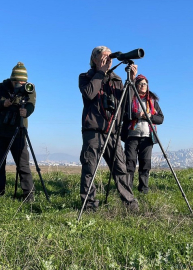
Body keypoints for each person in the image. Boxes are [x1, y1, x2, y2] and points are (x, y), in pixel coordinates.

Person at [78, 46, 139, 211]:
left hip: (112, 131)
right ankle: (89, 205)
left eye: (109, 57)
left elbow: (126, 105)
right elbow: (89, 93)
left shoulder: (117, 80)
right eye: (104, 57)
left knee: (121, 169)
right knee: (89, 168)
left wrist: (131, 81)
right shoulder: (86, 77)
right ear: (95, 60)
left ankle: (130, 204)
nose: (108, 60)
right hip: (93, 130)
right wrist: (101, 73)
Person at [0, 62, 36, 201]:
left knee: (23, 165)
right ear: (12, 80)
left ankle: (28, 196)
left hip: (18, 131)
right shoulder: (0, 87)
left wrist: (27, 112)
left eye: (23, 81)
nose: (20, 83)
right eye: (17, 81)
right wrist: (3, 104)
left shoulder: (29, 88)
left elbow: (31, 104)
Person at [121, 74, 164, 194]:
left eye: (145, 83)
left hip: (147, 137)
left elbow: (161, 119)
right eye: (140, 84)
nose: (143, 86)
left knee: (145, 164)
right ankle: (128, 190)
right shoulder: (130, 99)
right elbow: (122, 116)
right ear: (136, 85)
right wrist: (136, 115)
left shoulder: (152, 101)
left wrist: (150, 116)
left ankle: (143, 190)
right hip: (132, 136)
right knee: (130, 163)